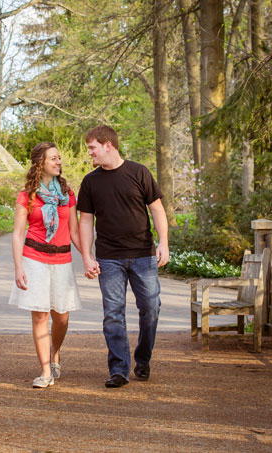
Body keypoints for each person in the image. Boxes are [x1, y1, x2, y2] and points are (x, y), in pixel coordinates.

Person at [77, 125, 169, 388]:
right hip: (109, 258)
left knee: (151, 308)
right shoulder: (90, 182)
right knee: (113, 314)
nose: (90, 154)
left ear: (108, 145)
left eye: (93, 148)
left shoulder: (139, 172)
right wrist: (87, 255)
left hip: (143, 255)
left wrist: (164, 243)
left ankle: (142, 358)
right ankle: (119, 369)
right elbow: (85, 222)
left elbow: (157, 210)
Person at [9, 142, 83, 388]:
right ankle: (45, 372)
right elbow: (18, 234)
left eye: (59, 158)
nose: (58, 161)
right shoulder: (26, 195)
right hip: (34, 259)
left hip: (62, 260)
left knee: (61, 317)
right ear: (40, 163)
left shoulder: (68, 195)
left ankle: (54, 353)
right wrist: (19, 268)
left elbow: (73, 231)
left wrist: (89, 257)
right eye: (53, 158)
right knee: (40, 315)